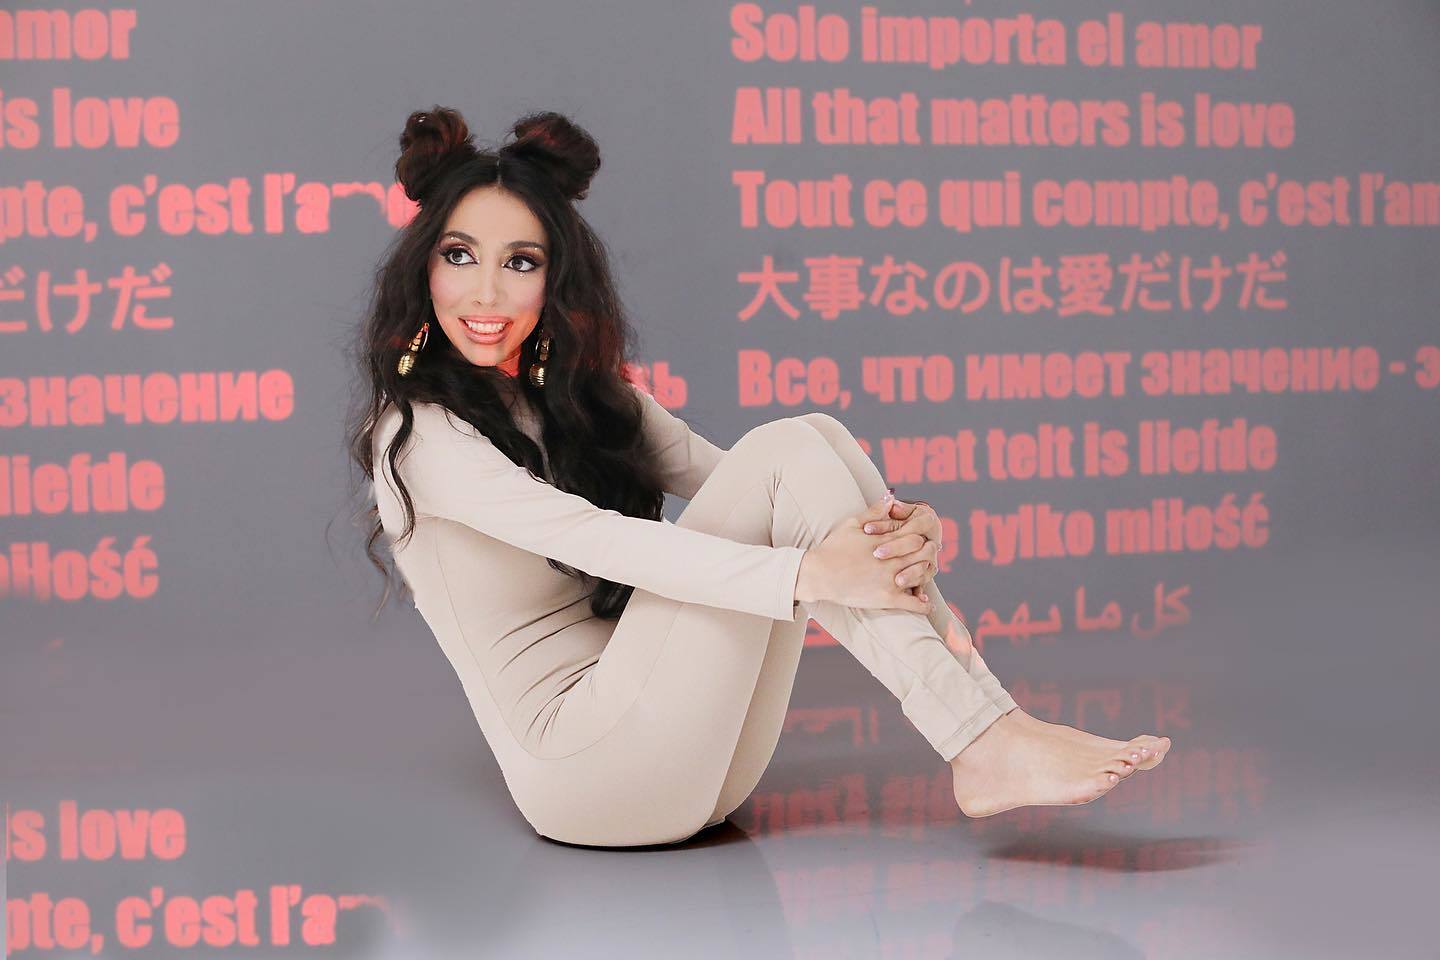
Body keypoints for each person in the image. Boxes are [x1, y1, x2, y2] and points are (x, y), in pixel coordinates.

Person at [345, 106, 1170, 848]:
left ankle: (990, 728)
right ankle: (982, 737)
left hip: (704, 764)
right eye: (460, 256)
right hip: (587, 775)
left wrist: (902, 520)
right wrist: (812, 573)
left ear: (555, 277)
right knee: (788, 452)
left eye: (520, 262)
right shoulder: (417, 435)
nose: (487, 292)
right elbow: (599, 540)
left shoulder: (575, 395)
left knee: (814, 438)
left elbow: (759, 483)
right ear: (424, 268)